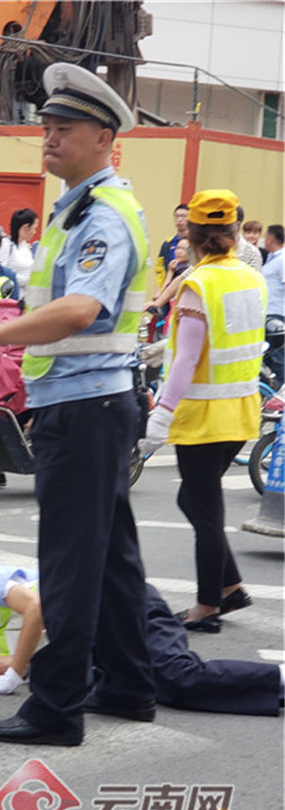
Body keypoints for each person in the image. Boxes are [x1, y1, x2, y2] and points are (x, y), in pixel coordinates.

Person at [0, 63, 155, 747]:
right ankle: (128, 684)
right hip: (90, 405)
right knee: (113, 560)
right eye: (46, 127)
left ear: (105, 139)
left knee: (70, 562)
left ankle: (56, 707)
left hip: (87, 407)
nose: (48, 138)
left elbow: (81, 309)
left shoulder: (104, 215)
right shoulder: (77, 210)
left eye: (63, 129)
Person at [139, 189, 267, 633]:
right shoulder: (250, 276)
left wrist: (161, 414)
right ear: (234, 232)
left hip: (204, 415)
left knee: (206, 512)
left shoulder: (198, 284)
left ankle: (207, 606)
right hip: (241, 410)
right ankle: (230, 587)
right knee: (191, 498)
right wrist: (166, 348)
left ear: (191, 234)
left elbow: (190, 360)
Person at [0, 567, 283, 717]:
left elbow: (38, 610)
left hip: (123, 603)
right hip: (101, 623)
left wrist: (11, 675)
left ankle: (279, 676)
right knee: (166, 689)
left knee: (177, 676)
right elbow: (23, 663)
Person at [262, 224, 284, 389]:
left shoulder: (282, 260)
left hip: (278, 316)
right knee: (268, 357)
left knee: (278, 358)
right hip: (268, 315)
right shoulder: (272, 259)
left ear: (270, 238)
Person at [0, 208, 39, 292]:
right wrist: (27, 280)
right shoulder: (6, 245)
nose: (35, 232)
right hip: (10, 296)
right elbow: (0, 273)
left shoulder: (25, 246)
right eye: (34, 228)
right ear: (26, 227)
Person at [154, 204, 189, 290]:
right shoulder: (167, 244)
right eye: (177, 216)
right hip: (168, 288)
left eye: (183, 216)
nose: (179, 220)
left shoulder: (197, 243)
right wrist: (158, 290)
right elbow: (160, 270)